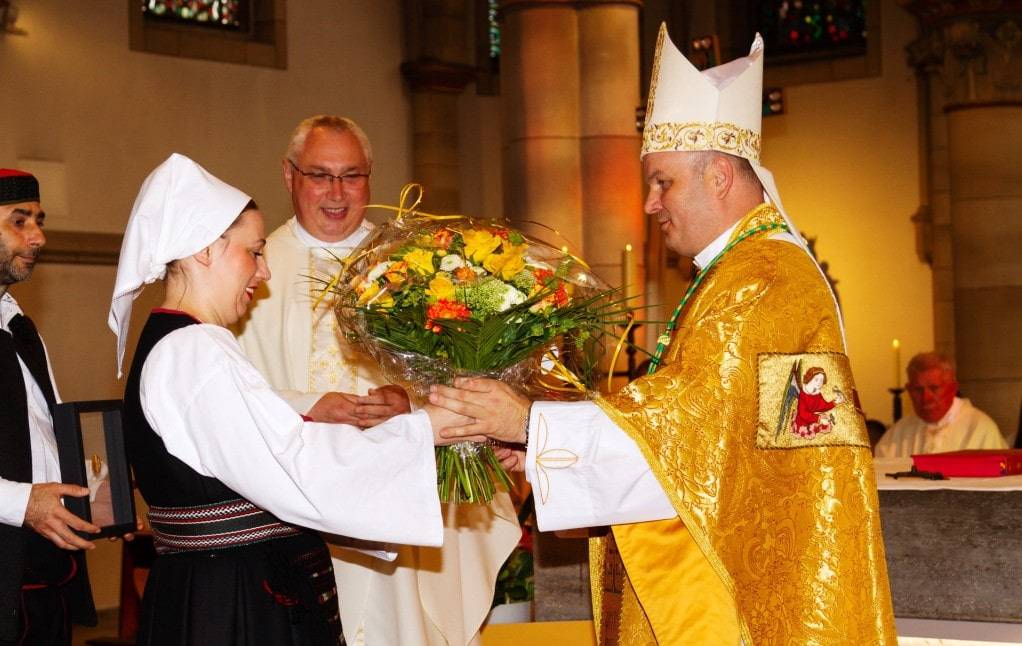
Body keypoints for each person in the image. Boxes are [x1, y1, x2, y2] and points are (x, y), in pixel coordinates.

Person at [430, 26, 897, 645]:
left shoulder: (762, 280)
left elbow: (684, 435)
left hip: (755, 603)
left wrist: (532, 423)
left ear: (721, 179)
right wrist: (544, 441)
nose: (650, 204)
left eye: (662, 182)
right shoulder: (745, 273)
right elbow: (701, 434)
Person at [109, 153, 470, 645]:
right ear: (205, 250)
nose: (265, 273)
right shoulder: (193, 350)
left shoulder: (184, 341)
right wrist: (425, 429)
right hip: (231, 598)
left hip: (223, 582)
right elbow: (292, 462)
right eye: (254, 252)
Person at [236, 115, 520, 646]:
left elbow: (466, 374)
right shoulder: (253, 266)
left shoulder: (413, 264)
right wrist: (317, 404)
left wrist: (410, 401)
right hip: (300, 505)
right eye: (320, 175)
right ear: (289, 175)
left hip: (404, 493)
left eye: (353, 176)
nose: (337, 194)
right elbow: (231, 397)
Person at [0, 169, 98, 645]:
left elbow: (46, 431)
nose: (37, 236)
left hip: (41, 575)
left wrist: (97, 493)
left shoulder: (20, 326)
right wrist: (25, 503)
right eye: (19, 221)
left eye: (38, 220)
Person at [874, 351, 1005, 457]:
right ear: (908, 389)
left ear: (953, 388)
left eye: (934, 388)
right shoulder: (898, 434)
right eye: (918, 390)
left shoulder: (980, 429)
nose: (926, 397)